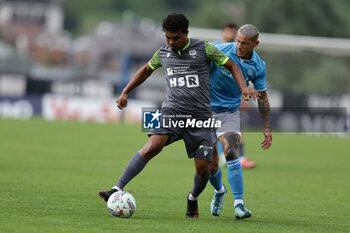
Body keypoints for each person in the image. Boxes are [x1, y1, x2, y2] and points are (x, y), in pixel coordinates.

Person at [98, 13, 259, 218]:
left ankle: (192, 198)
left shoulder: (204, 48)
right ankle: (116, 187)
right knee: (152, 146)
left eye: (176, 37)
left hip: (201, 117)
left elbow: (232, 66)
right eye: (168, 37)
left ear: (186, 34)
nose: (171, 42)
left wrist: (244, 87)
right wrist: (125, 91)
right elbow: (146, 70)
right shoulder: (163, 52)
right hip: (172, 111)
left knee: (205, 170)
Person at [208, 24, 272, 219]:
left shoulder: (258, 66)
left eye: (244, 43)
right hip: (204, 110)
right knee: (208, 164)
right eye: (238, 41)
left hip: (229, 112)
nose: (239, 46)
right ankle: (219, 191)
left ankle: (239, 205)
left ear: (256, 44)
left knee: (231, 152)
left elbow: (263, 97)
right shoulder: (219, 51)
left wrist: (267, 127)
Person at [211, 23, 257, 169]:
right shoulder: (214, 48)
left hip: (232, 98)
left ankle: (238, 156)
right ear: (222, 32)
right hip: (212, 98)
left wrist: (248, 90)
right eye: (227, 31)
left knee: (236, 126)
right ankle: (221, 155)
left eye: (233, 31)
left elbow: (246, 72)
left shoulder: (241, 52)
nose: (230, 34)